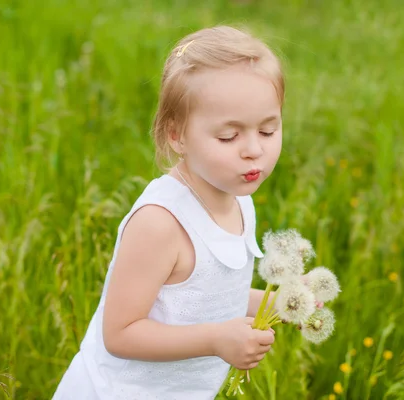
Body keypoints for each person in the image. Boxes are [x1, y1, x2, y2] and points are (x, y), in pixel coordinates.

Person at [52, 25, 286, 399]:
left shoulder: (238, 197)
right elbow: (121, 333)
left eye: (268, 130)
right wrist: (216, 339)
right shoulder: (161, 223)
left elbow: (208, 296)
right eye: (229, 136)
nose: (253, 150)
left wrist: (280, 301)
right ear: (177, 135)